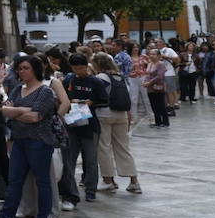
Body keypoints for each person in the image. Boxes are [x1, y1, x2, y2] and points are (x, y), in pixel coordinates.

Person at [0, 55, 59, 218]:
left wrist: (14, 111)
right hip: (19, 141)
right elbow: (4, 109)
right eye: (20, 68)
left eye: (26, 68)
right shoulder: (18, 89)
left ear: (35, 69)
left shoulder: (45, 92)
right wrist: (21, 111)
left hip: (39, 141)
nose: (21, 71)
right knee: (15, 180)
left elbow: (35, 117)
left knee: (42, 181)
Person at [91, 52, 140, 194]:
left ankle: (108, 181)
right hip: (122, 114)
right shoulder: (120, 77)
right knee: (124, 148)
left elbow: (95, 96)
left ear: (97, 64)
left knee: (104, 147)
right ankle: (134, 181)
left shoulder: (100, 77)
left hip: (104, 114)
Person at [62, 53, 107, 203]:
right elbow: (62, 98)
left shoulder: (95, 82)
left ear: (86, 66)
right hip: (72, 124)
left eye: (80, 68)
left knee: (91, 160)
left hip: (90, 125)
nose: (78, 72)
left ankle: (90, 190)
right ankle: (69, 189)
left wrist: (91, 102)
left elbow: (104, 100)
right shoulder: (69, 79)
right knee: (70, 159)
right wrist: (70, 101)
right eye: (75, 69)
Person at [141, 46, 171, 128]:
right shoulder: (150, 64)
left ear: (158, 56)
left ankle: (165, 122)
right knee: (153, 105)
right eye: (150, 54)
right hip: (150, 88)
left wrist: (149, 82)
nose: (151, 56)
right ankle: (158, 121)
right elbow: (147, 74)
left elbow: (159, 76)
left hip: (158, 87)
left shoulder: (161, 64)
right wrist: (145, 82)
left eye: (154, 54)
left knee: (161, 105)